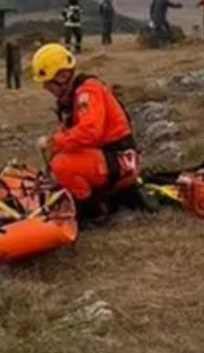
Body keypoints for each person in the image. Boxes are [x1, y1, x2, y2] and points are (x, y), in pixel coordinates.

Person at [31, 43, 141, 221]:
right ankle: (91, 201)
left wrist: (54, 142)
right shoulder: (74, 97)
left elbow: (89, 133)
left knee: (62, 165)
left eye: (48, 82)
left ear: (63, 76)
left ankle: (93, 212)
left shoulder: (88, 92)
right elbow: (74, 137)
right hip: (111, 159)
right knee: (58, 164)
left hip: (119, 160)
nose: (46, 88)